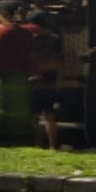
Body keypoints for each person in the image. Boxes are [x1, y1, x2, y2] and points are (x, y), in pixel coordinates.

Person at [0, 0, 35, 143]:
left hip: (0, 77)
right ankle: (18, 137)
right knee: (18, 108)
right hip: (21, 76)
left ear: (3, 13)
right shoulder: (27, 33)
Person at [23, 8, 64, 149]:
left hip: (36, 82)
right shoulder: (56, 39)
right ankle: (52, 146)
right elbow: (59, 63)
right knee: (50, 116)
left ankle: (37, 144)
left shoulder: (32, 40)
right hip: (51, 82)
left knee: (35, 117)